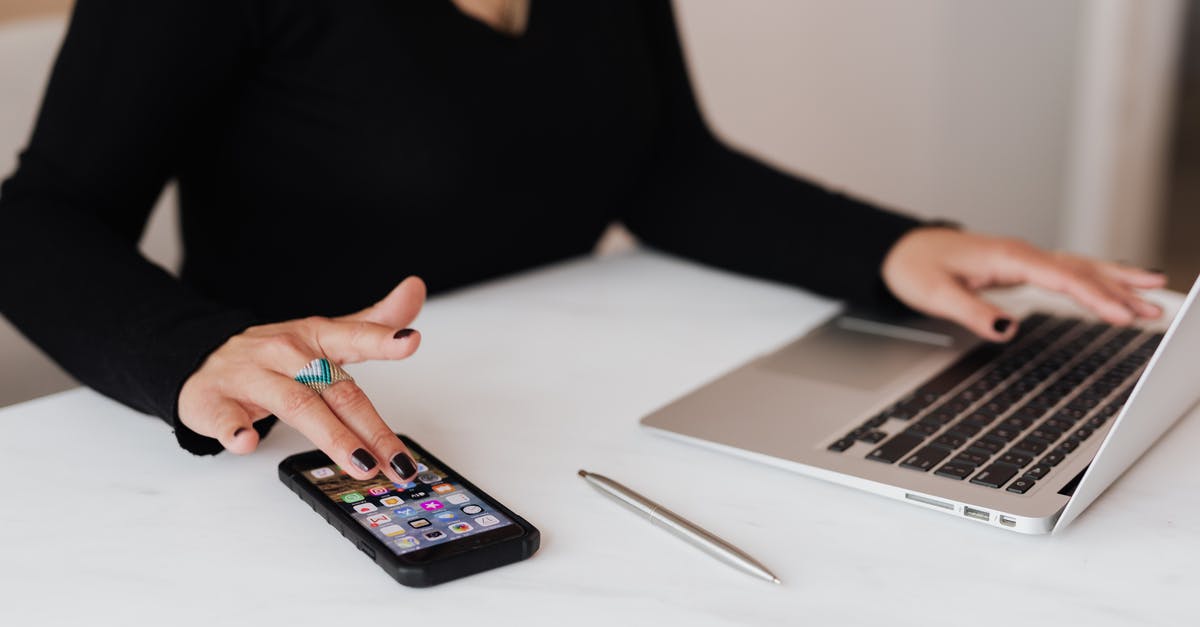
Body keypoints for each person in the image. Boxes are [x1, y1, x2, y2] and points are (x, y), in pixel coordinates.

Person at [0, 0, 1165, 485]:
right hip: (322, 448)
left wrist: (896, 249)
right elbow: (36, 218)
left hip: (589, 419)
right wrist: (190, 352)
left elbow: (663, 167)